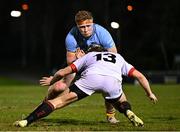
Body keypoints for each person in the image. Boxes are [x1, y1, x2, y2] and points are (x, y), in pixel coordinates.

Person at [14, 44, 158, 127]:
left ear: (91, 52)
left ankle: (27, 121)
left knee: (57, 102)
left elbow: (63, 72)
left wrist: (52, 80)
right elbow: (139, 76)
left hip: (91, 79)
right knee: (120, 99)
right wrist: (149, 93)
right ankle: (128, 112)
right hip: (112, 82)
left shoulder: (89, 56)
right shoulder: (118, 57)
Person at [45, 10, 119, 123]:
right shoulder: (71, 35)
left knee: (109, 86)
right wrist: (78, 59)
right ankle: (43, 105)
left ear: (93, 23)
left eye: (88, 26)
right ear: (77, 26)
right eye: (82, 27)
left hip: (97, 64)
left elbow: (114, 55)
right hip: (78, 63)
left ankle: (110, 115)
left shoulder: (102, 33)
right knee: (59, 87)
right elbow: (70, 62)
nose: (85, 29)